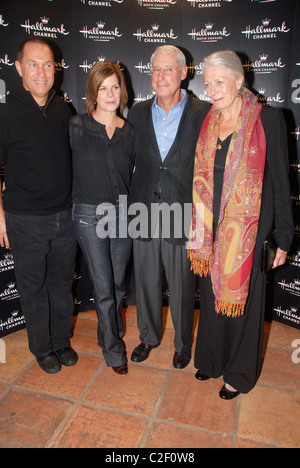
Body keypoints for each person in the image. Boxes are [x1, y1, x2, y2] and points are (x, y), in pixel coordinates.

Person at [188, 50, 294, 399]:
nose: (213, 90)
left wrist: (283, 236)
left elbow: (280, 179)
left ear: (238, 80)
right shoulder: (207, 123)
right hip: (209, 230)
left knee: (245, 307)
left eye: (220, 82)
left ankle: (238, 374)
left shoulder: (269, 119)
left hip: (249, 232)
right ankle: (211, 359)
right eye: (207, 84)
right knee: (210, 296)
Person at [128, 45, 209, 369]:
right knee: (145, 281)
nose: (161, 76)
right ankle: (147, 337)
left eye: (168, 69)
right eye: (156, 70)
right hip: (144, 209)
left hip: (183, 211)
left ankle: (182, 344)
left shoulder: (202, 113)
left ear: (183, 72)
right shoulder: (136, 113)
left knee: (182, 285)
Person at [0, 39, 78, 374]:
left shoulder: (64, 109)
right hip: (25, 219)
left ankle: (61, 341)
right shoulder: (5, 113)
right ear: (18, 68)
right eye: (33, 64)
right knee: (33, 289)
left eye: (47, 65)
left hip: (65, 217)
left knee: (61, 285)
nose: (42, 72)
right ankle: (42, 348)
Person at [70, 62, 134, 375]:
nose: (109, 94)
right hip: (88, 214)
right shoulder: (76, 126)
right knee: (105, 287)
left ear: (122, 91)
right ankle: (114, 351)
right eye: (103, 87)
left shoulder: (129, 131)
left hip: (122, 215)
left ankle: (105, 334)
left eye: (114, 86)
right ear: (93, 92)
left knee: (119, 284)